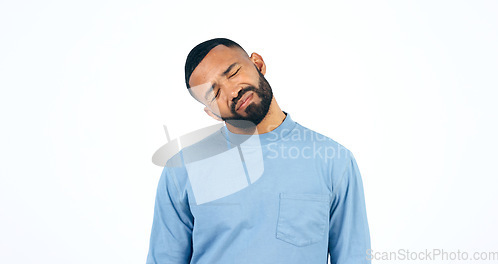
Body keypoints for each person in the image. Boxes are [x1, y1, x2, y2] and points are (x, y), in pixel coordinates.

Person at [146, 38, 371, 264]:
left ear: (258, 63)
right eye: (214, 94)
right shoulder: (183, 169)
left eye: (233, 73)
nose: (232, 92)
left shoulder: (333, 160)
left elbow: (354, 258)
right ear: (211, 112)